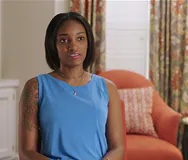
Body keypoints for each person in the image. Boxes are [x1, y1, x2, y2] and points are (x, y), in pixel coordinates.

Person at [18, 12, 124, 160]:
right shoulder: (35, 88)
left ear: (88, 43)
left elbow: (117, 148)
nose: (73, 46)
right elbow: (26, 152)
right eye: (63, 40)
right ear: (53, 45)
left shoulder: (108, 88)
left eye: (80, 38)